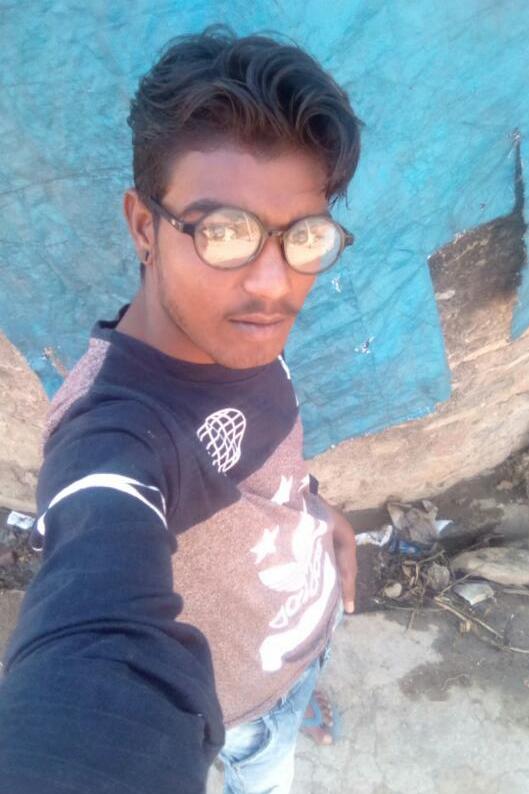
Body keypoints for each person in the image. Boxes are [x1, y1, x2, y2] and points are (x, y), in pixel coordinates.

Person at [0, 25, 361, 794]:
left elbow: (266, 456)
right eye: (224, 231)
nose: (273, 283)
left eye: (302, 235)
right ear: (144, 226)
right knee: (263, 770)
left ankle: (298, 694)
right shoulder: (112, 433)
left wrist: (313, 510)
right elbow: (94, 651)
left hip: (303, 631)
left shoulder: (236, 332)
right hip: (232, 709)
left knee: (291, 699)